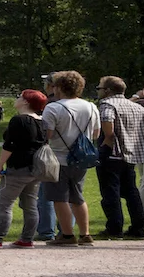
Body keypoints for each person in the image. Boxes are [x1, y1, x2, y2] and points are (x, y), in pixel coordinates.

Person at [0, 89, 48, 247]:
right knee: (30, 205)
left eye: (20, 97)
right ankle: (27, 238)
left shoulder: (19, 120)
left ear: (26, 102)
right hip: (35, 169)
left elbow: (9, 145)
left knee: (4, 204)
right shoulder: (42, 121)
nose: (17, 99)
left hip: (18, 168)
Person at [41, 71, 101, 246]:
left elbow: (48, 134)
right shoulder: (91, 106)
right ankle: (85, 234)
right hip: (81, 158)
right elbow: (96, 133)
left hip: (58, 158)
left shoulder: (53, 108)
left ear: (58, 87)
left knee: (59, 198)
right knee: (77, 197)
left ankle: (67, 235)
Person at [97, 76, 144, 239]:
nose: (98, 91)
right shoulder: (136, 107)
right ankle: (138, 228)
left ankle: (115, 228)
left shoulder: (107, 104)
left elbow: (107, 120)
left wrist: (107, 138)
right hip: (131, 155)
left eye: (99, 88)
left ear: (107, 90)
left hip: (111, 154)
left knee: (110, 193)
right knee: (131, 192)